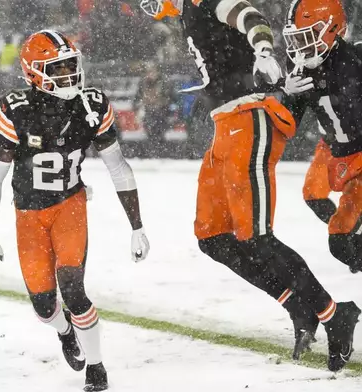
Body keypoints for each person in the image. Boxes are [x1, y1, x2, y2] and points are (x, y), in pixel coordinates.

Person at [141, 0, 358, 371]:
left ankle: (333, 313)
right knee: (213, 237)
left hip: (248, 119)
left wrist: (262, 50)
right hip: (225, 124)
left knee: (257, 236)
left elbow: (249, 15)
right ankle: (296, 303)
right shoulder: (187, 15)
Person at [0, 29, 149, 391]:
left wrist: (137, 225)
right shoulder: (16, 110)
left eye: (71, 65)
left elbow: (118, 167)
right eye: (56, 69)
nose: (68, 74)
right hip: (28, 213)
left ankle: (97, 368)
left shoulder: (90, 105)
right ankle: (65, 332)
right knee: (44, 305)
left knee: (73, 289)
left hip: (70, 204)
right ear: (33, 73)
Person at [281, 1, 362, 355]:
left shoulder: (356, 61)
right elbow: (289, 120)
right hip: (333, 149)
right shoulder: (300, 65)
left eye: (307, 36)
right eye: (296, 39)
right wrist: (284, 94)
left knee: (340, 239)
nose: (300, 47)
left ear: (332, 28)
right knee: (318, 203)